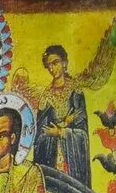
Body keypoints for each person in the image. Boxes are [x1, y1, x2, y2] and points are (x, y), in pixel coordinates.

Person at [33, 44, 90, 180]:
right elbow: (40, 135)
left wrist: (61, 132)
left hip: (73, 162)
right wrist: (59, 127)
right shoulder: (46, 96)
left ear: (64, 63)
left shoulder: (75, 92)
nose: (52, 68)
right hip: (51, 159)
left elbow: (83, 134)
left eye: (55, 63)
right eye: (49, 65)